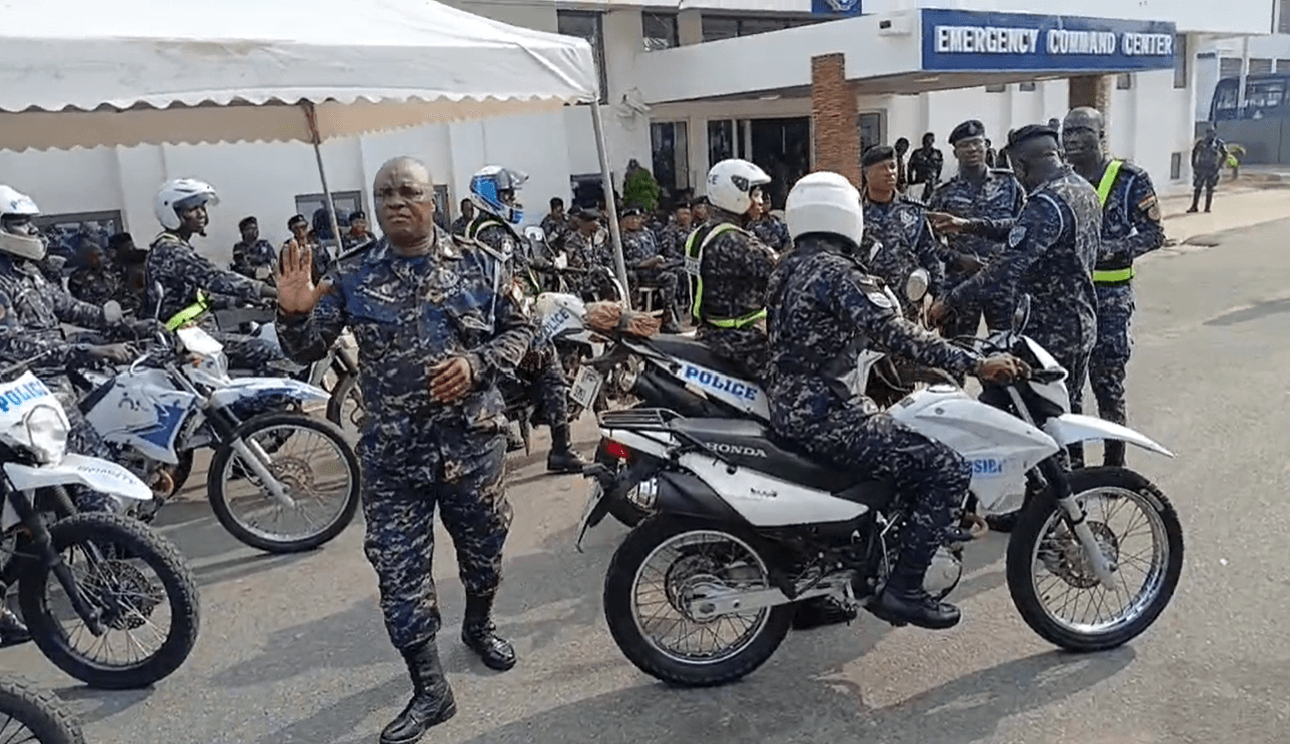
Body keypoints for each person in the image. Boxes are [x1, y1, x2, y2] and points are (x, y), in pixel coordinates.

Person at [276, 156, 531, 744]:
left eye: (408, 191)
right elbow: (307, 346)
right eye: (384, 192)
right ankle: (431, 689)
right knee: (398, 572)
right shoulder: (351, 274)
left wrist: (476, 362)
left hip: (471, 449)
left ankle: (479, 624)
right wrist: (291, 315)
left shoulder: (482, 265)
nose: (395, 201)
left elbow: (523, 332)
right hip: (394, 457)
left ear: (432, 201)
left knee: (485, 553)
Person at [767, 171, 1024, 629]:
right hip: (830, 414)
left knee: (903, 452)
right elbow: (897, 333)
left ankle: (845, 575)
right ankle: (905, 590)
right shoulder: (836, 272)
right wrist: (973, 363)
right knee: (946, 467)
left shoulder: (786, 267)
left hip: (790, 407)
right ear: (847, 216)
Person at [0, 186, 158, 646]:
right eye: (19, 224)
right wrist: (83, 348)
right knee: (23, 501)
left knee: (73, 487)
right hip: (19, 398)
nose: (30, 231)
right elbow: (10, 344)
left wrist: (123, 322)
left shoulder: (27, 273)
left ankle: (105, 570)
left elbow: (67, 308)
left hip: (48, 394)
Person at [929, 124, 1101, 466]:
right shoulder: (1079, 189)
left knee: (1039, 419)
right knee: (1067, 411)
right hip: (1080, 319)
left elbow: (1002, 269)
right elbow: (1023, 227)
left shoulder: (1045, 201)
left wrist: (949, 300)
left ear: (1021, 166)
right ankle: (1077, 486)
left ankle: (1053, 503)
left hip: (1050, 329)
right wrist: (967, 225)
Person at [463, 164, 588, 473]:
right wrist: (527, 314)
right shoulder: (493, 233)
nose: (514, 200)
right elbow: (504, 284)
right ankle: (561, 448)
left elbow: (519, 265)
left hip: (485, 322)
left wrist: (550, 267)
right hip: (504, 324)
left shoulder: (480, 228)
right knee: (552, 368)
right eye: (508, 194)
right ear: (490, 195)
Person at [1063, 106, 1165, 468]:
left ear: (1101, 135)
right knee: (1067, 390)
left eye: (1081, 131)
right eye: (1067, 132)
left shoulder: (1130, 178)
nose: (1072, 139)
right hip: (1067, 302)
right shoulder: (1060, 179)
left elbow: (1155, 235)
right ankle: (1073, 469)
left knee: (1107, 386)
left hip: (1110, 301)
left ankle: (1113, 467)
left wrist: (1111, 250)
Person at [143, 179, 284, 376]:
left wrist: (248, 301)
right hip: (189, 338)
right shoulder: (171, 250)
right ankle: (270, 407)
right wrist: (274, 292)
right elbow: (215, 277)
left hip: (196, 333)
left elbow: (204, 296)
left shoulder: (176, 246)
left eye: (202, 207)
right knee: (273, 352)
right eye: (192, 208)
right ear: (172, 213)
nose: (201, 213)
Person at [927, 119, 1027, 337]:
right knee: (958, 349)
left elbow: (1024, 227)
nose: (972, 149)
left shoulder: (1009, 184)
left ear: (987, 145)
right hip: (961, 281)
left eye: (976, 143)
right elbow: (927, 242)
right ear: (955, 153)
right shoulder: (944, 193)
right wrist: (957, 259)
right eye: (964, 145)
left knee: (1006, 346)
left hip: (1003, 281)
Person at [684, 159, 778, 382]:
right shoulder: (736, 242)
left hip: (710, 332)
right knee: (797, 385)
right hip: (742, 341)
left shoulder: (701, 234)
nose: (760, 201)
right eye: (755, 194)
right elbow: (781, 273)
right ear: (735, 195)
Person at [859, 145, 946, 319]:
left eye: (893, 166)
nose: (890, 172)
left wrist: (937, 296)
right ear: (867, 173)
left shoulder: (913, 210)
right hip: (865, 304)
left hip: (907, 303)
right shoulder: (854, 211)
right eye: (882, 168)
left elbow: (929, 254)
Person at [620, 205, 682, 332]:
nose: (635, 222)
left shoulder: (648, 233)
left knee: (671, 276)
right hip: (636, 273)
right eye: (631, 219)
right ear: (624, 221)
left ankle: (667, 317)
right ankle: (633, 316)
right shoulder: (621, 238)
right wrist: (645, 263)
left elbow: (656, 251)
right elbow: (622, 262)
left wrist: (660, 262)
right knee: (630, 276)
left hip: (653, 271)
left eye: (637, 219)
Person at [281, 214, 331, 285]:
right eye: (296, 229)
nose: (300, 231)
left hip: (321, 281)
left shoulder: (317, 242)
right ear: (292, 231)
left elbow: (327, 261)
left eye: (303, 227)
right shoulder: (289, 246)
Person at [1190, 127, 1228, 214]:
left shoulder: (1218, 143)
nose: (1209, 134)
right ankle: (1194, 206)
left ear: (1214, 134)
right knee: (1197, 187)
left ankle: (1207, 208)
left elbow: (1225, 154)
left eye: (1211, 133)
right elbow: (1194, 152)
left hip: (1212, 168)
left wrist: (1219, 165)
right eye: (1208, 132)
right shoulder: (1201, 143)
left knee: (1210, 188)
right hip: (1201, 167)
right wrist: (1194, 165)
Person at [231, 216, 278, 281]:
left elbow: (273, 261)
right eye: (251, 228)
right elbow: (242, 266)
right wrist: (256, 271)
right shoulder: (239, 247)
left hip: (269, 278)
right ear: (243, 231)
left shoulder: (265, 244)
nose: (254, 231)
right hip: (250, 281)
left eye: (255, 228)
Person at [907, 132, 944, 202]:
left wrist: (936, 179)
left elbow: (939, 168)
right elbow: (910, 168)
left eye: (929, 140)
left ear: (933, 141)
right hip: (919, 182)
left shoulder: (937, 154)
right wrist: (910, 182)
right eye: (925, 140)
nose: (927, 143)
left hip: (932, 183)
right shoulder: (917, 153)